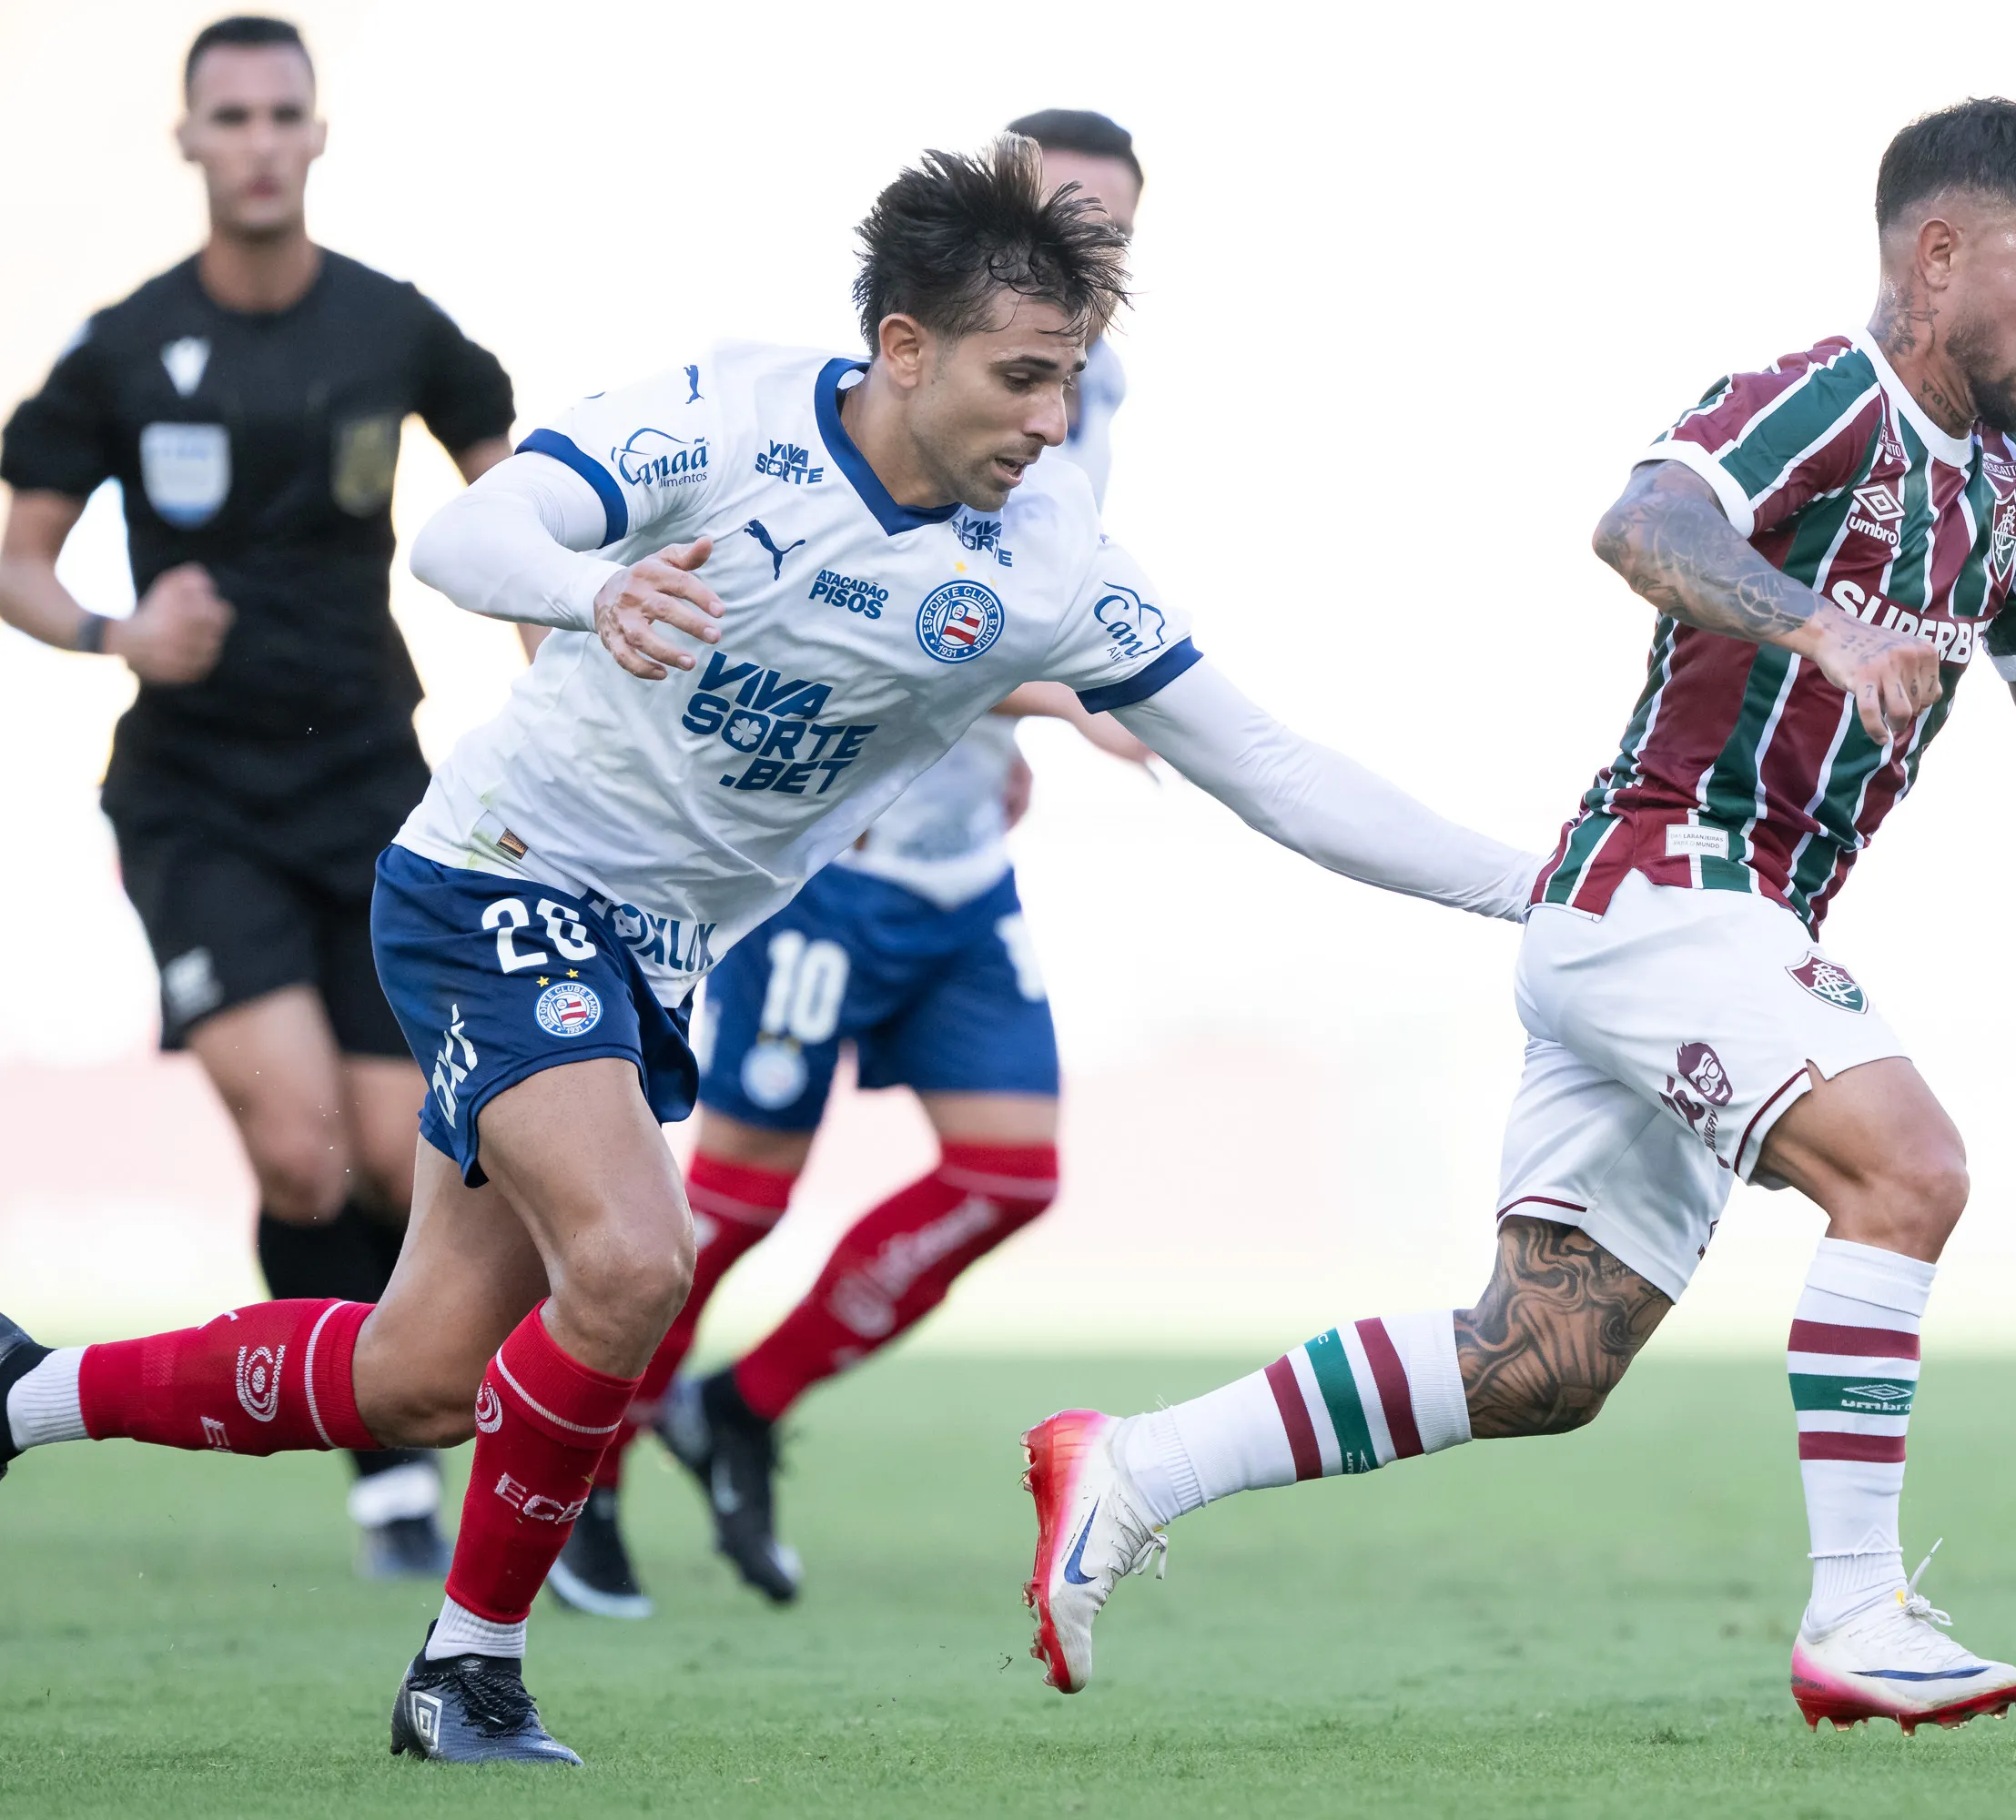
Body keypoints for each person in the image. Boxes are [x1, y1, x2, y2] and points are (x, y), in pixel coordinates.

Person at [0, 136, 1534, 1765]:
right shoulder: (726, 417)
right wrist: (597, 591)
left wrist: (1540, 882)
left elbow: (1279, 772)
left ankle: (19, 1392)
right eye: (1022, 379)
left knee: (422, 1376)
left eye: (1071, 385)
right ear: (902, 349)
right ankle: (470, 1671)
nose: (1052, 421)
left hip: (653, 952)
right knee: (637, 1261)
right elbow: (467, 544)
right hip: (492, 877)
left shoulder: (1046, 565)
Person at [1018, 97, 2016, 1734]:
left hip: (1677, 933)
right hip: (1668, 886)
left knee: (1540, 1361)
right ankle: (1858, 1612)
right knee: (1910, 1167)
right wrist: (1817, 631)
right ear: (1939, 255)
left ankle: (1132, 1468)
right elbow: (1646, 521)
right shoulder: (1822, 400)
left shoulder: (2012, 495)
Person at [545, 108, 1155, 1619]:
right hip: (830, 858)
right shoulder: (891, 376)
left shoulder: (1090, 387)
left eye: (1116, 234)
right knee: (733, 1202)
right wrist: (1065, 696)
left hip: (960, 869)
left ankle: (742, 1405)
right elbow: (897, 608)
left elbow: (1032, 587)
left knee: (1012, 1172)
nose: (1087, 255)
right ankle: (589, 1468)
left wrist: (1045, 708)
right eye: (1066, 214)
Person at [0, 14, 515, 1578]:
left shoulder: (398, 330)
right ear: (190, 142)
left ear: (317, 135)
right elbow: (19, 556)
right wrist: (117, 631)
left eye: (284, 112)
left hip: (372, 787)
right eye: (229, 115)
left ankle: (393, 1384)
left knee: (388, 1142)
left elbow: (526, 512)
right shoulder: (119, 346)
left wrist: (574, 638)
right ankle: (381, 1467)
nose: (259, 140)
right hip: (195, 801)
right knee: (302, 1152)